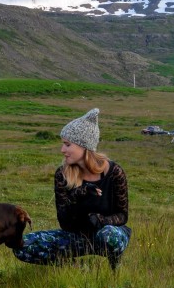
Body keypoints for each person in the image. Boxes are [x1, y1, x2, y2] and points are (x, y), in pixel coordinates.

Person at [13, 108, 131, 271]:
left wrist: (101, 221)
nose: (63, 150)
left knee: (109, 235)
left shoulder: (114, 172)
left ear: (85, 146)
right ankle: (78, 268)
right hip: (75, 236)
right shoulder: (62, 175)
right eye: (63, 143)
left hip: (106, 234)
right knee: (23, 246)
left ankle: (115, 266)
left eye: (68, 144)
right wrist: (79, 194)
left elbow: (122, 215)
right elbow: (64, 222)